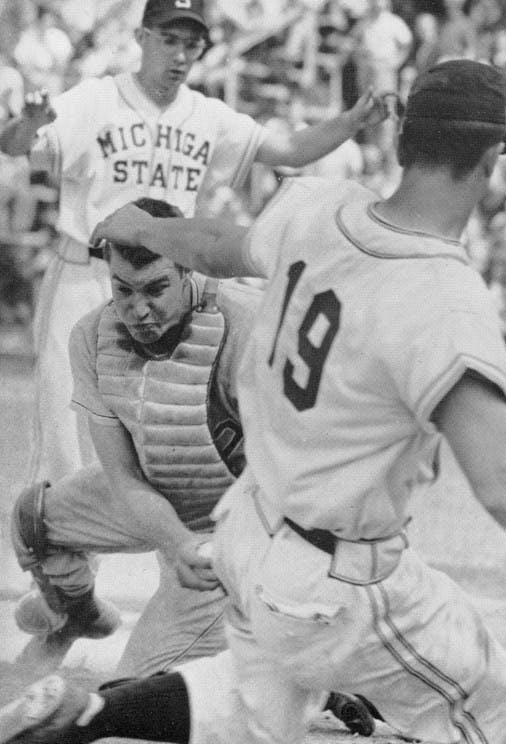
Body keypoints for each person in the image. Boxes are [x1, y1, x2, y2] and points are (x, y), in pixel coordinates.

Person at [0, 59, 506, 744]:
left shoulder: (321, 207)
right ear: (496, 152)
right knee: (483, 694)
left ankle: (84, 714)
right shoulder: (445, 297)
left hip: (250, 536)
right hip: (336, 575)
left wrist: (149, 230)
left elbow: (220, 246)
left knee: (250, 708)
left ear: (401, 136)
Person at [9, 196, 379, 737]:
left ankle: (306, 666)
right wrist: (174, 542)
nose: (137, 309)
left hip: (232, 528)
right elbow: (123, 478)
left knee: (126, 701)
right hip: (155, 494)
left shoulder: (246, 325)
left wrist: (237, 559)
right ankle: (78, 615)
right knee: (35, 520)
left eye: (155, 288)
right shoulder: (90, 336)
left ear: (188, 270)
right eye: (122, 290)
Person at [0, 0, 387, 487]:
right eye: (169, 39)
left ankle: (170, 558)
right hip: (89, 274)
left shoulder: (207, 114)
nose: (180, 55)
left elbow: (287, 149)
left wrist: (350, 122)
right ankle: (63, 555)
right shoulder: (96, 100)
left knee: (170, 432)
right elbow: (15, 147)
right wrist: (31, 121)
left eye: (192, 43)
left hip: (168, 287)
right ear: (140, 38)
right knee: (66, 438)